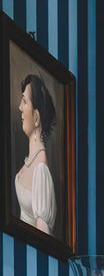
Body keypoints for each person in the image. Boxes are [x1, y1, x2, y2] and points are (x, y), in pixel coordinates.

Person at [14, 71, 57, 235]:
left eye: (24, 102)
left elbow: (42, 238)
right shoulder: (31, 161)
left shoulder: (40, 169)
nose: (19, 108)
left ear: (36, 117)